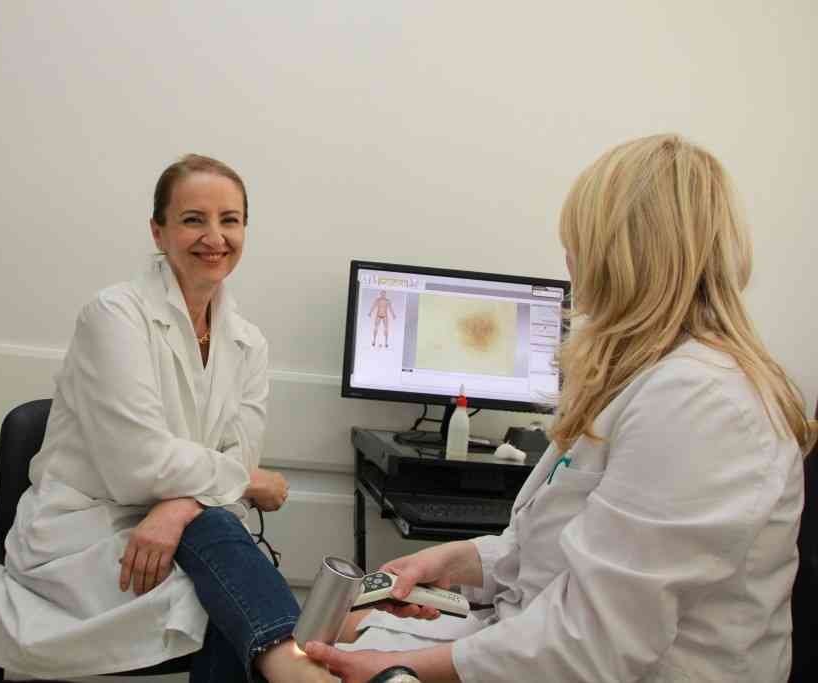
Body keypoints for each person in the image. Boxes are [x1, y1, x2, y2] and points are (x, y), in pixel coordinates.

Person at [308, 134, 815, 682]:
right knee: (332, 635)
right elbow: (553, 553)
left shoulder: (702, 403)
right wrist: (455, 562)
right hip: (545, 645)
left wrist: (400, 666)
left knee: (316, 659)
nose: (569, 260)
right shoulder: (648, 379)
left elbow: (594, 643)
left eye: (578, 241)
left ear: (621, 252)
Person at [0, 154, 336, 683]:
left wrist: (180, 506)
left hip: (186, 533)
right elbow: (139, 466)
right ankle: (296, 666)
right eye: (193, 219)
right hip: (86, 534)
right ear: (158, 230)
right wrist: (243, 482)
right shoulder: (113, 316)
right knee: (225, 587)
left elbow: (238, 456)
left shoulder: (248, 342)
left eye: (230, 220)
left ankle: (293, 667)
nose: (214, 237)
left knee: (219, 572)